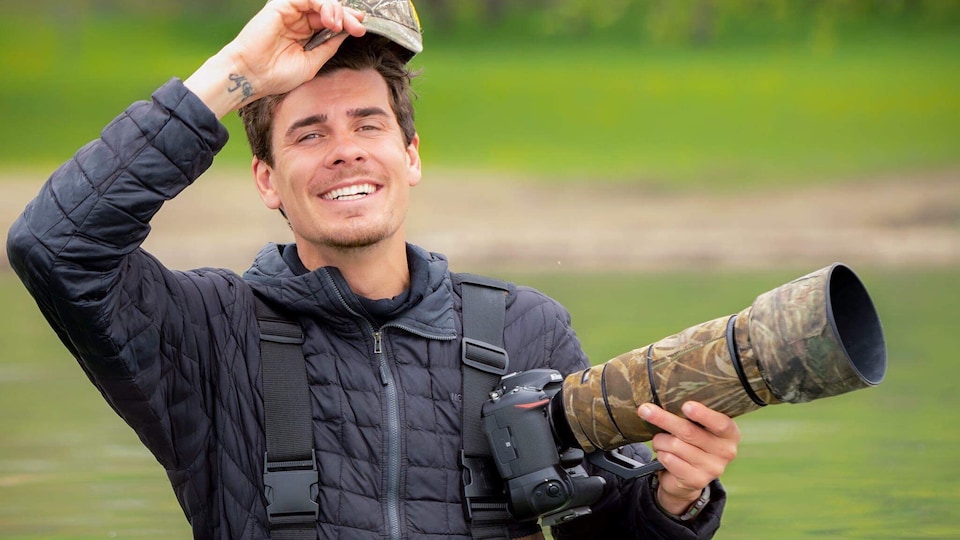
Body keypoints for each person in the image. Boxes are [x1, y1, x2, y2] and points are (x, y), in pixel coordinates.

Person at [6, 0, 741, 538]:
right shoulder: (205, 334)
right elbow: (56, 246)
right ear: (266, 180)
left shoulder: (525, 328)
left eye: (367, 124)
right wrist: (238, 71)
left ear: (410, 155)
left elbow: (610, 531)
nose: (345, 149)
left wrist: (676, 498)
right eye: (309, 132)